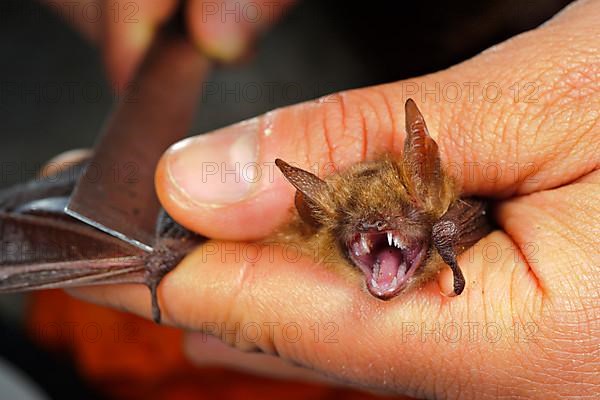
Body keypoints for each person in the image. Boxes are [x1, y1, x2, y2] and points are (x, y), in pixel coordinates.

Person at [43, 0, 599, 398]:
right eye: (361, 230)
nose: (379, 232)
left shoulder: (464, 218)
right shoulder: (298, 229)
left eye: (404, 222)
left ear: (444, 222)